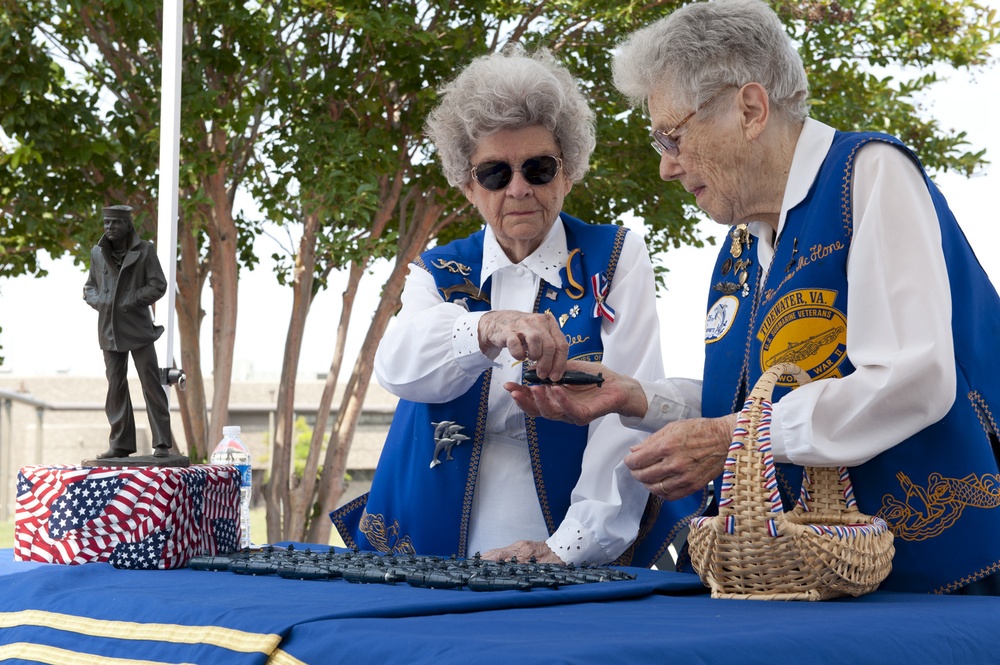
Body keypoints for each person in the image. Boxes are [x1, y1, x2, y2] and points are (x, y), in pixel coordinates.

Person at [507, 0, 1000, 594]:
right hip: (799, 589)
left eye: (671, 135)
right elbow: (757, 399)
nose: (665, 166)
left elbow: (912, 380)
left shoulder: (870, 172)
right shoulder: (742, 244)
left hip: (928, 589)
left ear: (750, 108)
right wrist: (638, 399)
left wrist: (730, 440)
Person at [330, 46, 706, 567]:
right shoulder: (437, 271)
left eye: (538, 167)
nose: (520, 189)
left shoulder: (615, 257)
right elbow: (399, 368)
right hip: (425, 535)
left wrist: (568, 549)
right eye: (495, 174)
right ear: (467, 186)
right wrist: (485, 327)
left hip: (566, 537)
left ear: (568, 172)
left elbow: (621, 415)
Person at [83, 204, 172, 459]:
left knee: (151, 383)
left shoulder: (145, 251)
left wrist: (132, 299)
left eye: (115, 223)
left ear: (128, 224)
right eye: (107, 223)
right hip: (109, 330)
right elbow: (88, 287)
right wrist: (100, 301)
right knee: (116, 387)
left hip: (138, 328)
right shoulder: (97, 253)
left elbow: (158, 285)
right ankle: (120, 443)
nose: (110, 228)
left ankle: (162, 442)